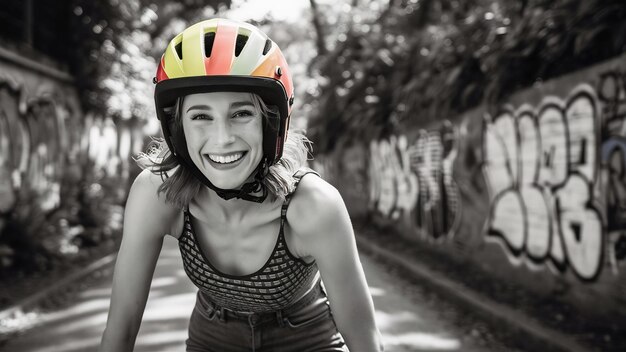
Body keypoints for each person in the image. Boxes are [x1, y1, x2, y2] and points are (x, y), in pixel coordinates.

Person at [100, 18, 383, 352]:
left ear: (270, 123)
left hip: (306, 336)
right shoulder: (157, 194)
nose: (222, 139)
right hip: (212, 333)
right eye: (201, 116)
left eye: (241, 114)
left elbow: (366, 341)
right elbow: (122, 327)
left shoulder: (313, 207)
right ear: (177, 129)